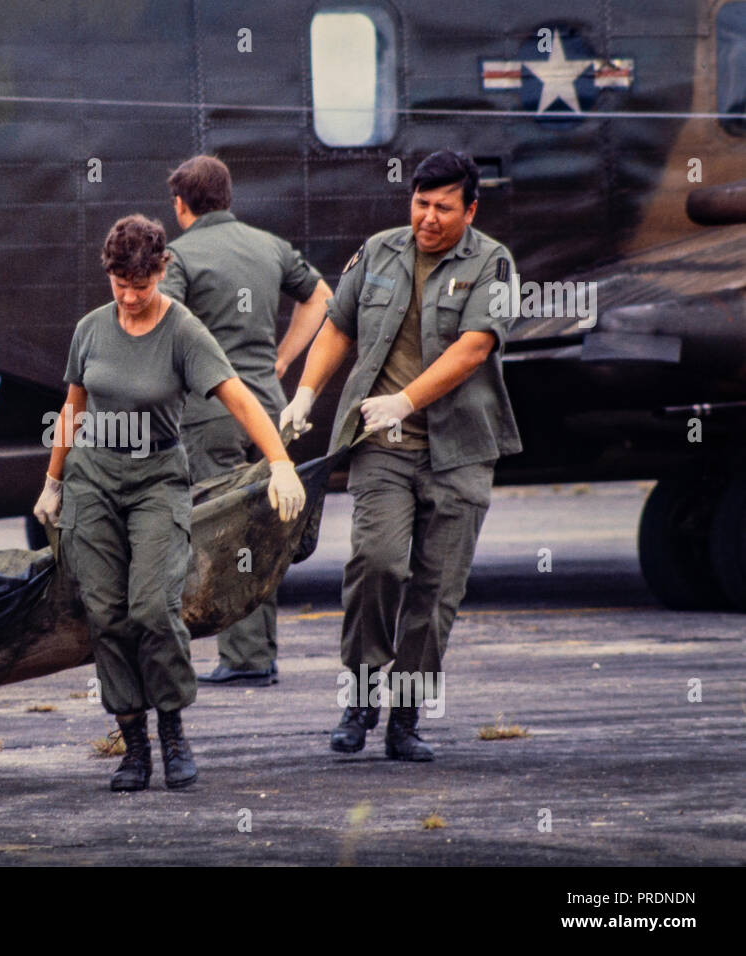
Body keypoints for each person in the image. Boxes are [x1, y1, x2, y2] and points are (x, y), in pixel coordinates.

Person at [33, 214, 306, 792]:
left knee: (153, 607)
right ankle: (132, 745)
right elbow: (73, 407)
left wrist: (279, 462)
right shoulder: (90, 329)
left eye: (142, 284)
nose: (130, 298)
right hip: (93, 479)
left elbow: (240, 399)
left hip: (157, 479)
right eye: (119, 285)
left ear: (162, 270)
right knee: (104, 614)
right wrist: (53, 481)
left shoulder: (183, 331)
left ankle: (173, 730)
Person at [281, 151, 522, 761]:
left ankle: (405, 718)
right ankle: (361, 695)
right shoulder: (381, 250)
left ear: (471, 208)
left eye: (444, 207)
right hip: (381, 447)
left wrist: (406, 401)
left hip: (460, 450)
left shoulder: (492, 262)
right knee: (378, 563)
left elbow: (472, 349)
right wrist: (306, 393)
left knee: (435, 591)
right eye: (420, 204)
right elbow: (337, 324)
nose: (429, 218)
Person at [160, 155, 332, 686]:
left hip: (212, 414)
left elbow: (163, 327)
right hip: (270, 408)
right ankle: (256, 652)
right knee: (261, 528)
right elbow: (324, 297)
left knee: (222, 533)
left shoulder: (179, 257)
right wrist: (281, 358)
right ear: (228, 196)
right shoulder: (270, 246)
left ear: (180, 205)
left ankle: (244, 657)